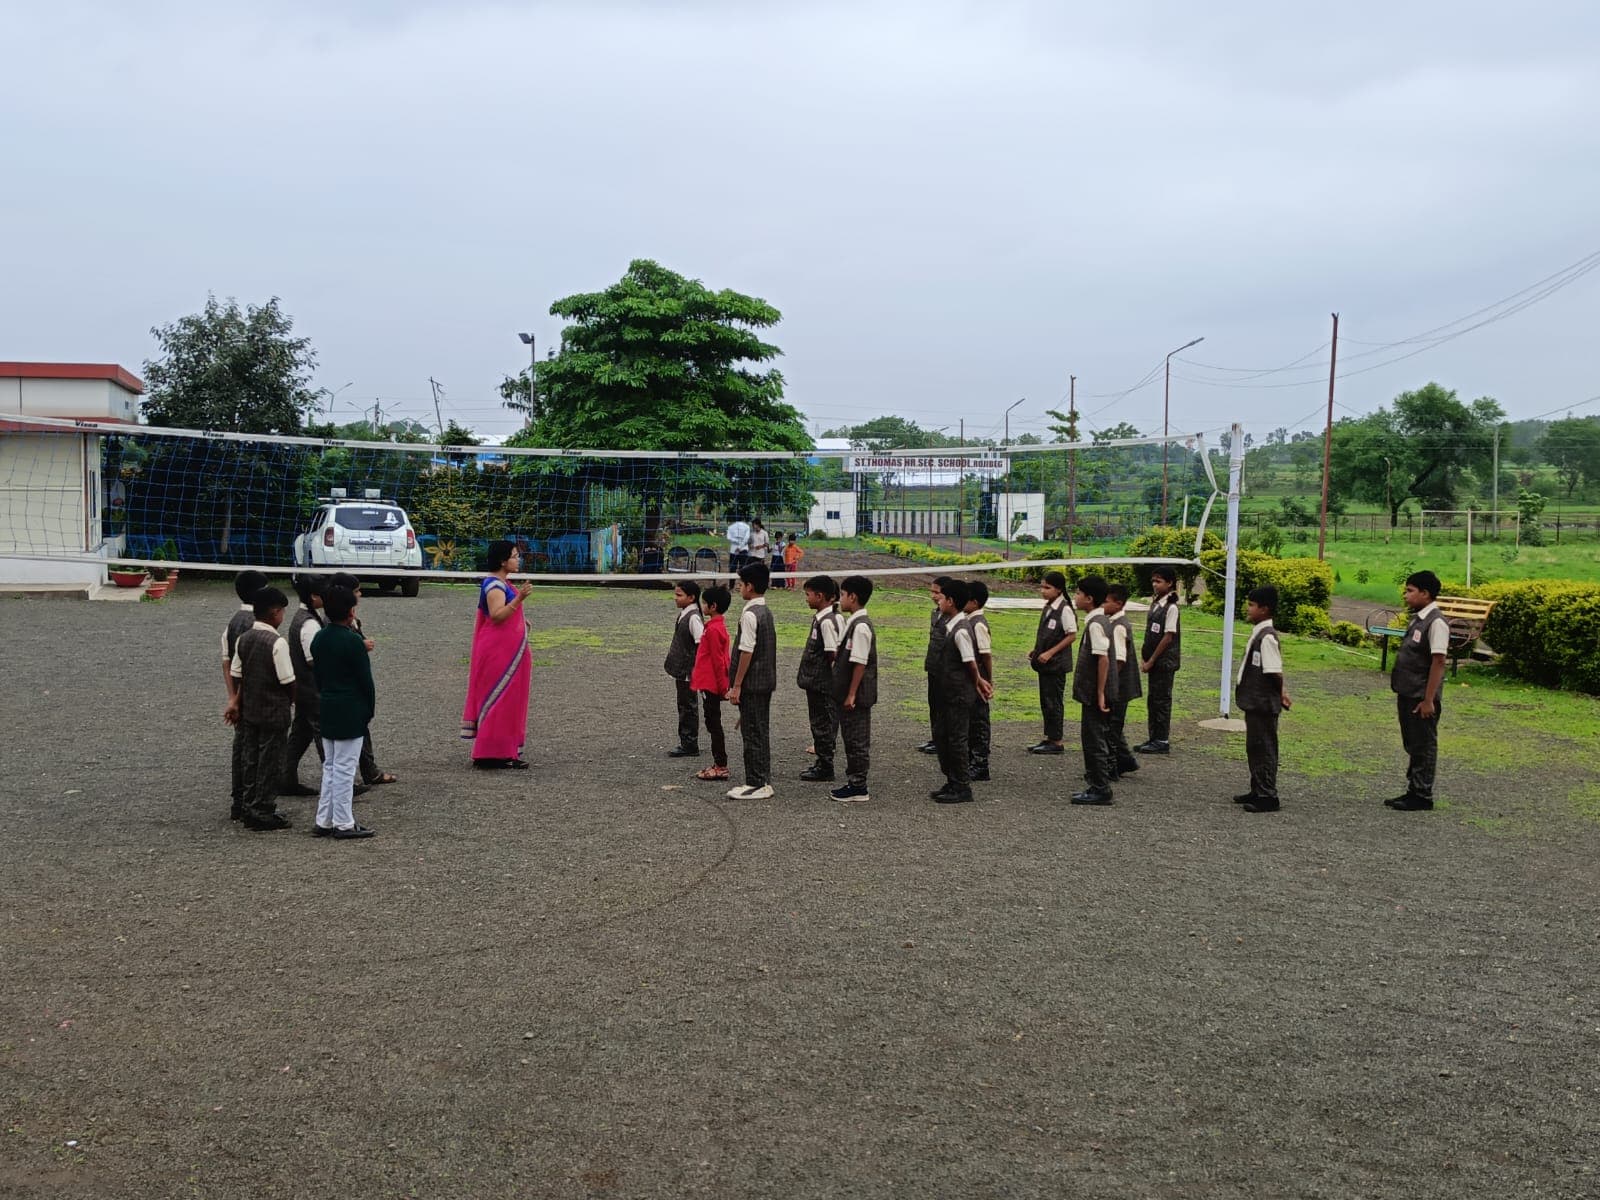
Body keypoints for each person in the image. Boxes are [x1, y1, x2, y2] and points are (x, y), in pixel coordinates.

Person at [225, 586, 295, 831]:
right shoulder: (277, 643)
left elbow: (236, 672)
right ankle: (263, 809)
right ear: (275, 613)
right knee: (271, 761)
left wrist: (237, 701)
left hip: (251, 710)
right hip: (274, 711)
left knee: (251, 758)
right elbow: (288, 680)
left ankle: (248, 805)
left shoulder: (244, 639)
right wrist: (293, 700)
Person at [311, 585, 378, 839]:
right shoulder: (353, 641)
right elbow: (365, 681)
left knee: (331, 765)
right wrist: (368, 710)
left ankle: (325, 818)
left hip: (327, 704)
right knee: (345, 767)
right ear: (351, 612)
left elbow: (317, 676)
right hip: (350, 708)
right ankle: (343, 822)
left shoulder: (319, 638)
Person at [461, 540, 533, 769]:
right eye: (514, 556)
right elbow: (497, 615)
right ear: (503, 561)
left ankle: (505, 750)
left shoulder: (503, 583)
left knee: (510, 700)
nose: (517, 559)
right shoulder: (495, 585)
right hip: (496, 652)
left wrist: (521, 621)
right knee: (499, 698)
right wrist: (520, 599)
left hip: (508, 650)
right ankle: (489, 753)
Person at [329, 573, 398, 790]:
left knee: (304, 731)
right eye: (357, 590)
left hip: (344, 691)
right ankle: (355, 775)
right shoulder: (333, 626)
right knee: (342, 738)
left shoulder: (350, 621)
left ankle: (287, 774)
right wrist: (361, 645)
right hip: (345, 691)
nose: (360, 594)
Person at [1388, 569, 1450, 812]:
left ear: (1425, 593)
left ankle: (1422, 794)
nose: (1406, 595)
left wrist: (1429, 699)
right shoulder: (1418, 618)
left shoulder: (1436, 622)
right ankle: (1414, 788)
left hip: (1421, 696)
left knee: (1424, 743)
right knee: (1413, 742)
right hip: (1407, 691)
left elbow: (1439, 661)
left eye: (1410, 591)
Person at [930, 579, 992, 804]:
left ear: (952, 601)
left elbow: (971, 662)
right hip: (948, 692)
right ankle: (952, 780)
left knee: (956, 739)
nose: (939, 601)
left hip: (957, 694)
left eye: (943, 598)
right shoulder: (951, 625)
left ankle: (961, 785)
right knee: (943, 737)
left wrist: (979, 682)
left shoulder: (961, 630)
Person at [1235, 585, 1291, 814]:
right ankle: (1257, 788)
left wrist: (1281, 694)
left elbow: (1274, 671)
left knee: (1265, 747)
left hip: (1263, 703)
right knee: (1255, 747)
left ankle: (1268, 795)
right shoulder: (1259, 631)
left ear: (1265, 609)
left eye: (1252, 605)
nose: (1248, 609)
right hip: (1254, 701)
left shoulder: (1267, 637)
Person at [726, 561, 778, 800]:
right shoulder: (765, 611)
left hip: (753, 683)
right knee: (759, 730)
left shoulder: (750, 614)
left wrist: (736, 685)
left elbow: (746, 651)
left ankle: (756, 782)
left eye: (741, 584)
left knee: (753, 732)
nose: (738, 588)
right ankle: (762, 779)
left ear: (750, 586)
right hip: (764, 681)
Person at [221, 569, 269, 820]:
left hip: (240, 695)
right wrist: (238, 700)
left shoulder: (232, 621)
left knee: (241, 748)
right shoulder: (256, 624)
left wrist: (232, 697)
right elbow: (239, 665)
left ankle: (239, 801)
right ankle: (252, 804)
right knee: (253, 750)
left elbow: (226, 662)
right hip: (254, 697)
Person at [1069, 574, 1118, 806]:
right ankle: (1097, 783)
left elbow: (1104, 659)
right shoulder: (1096, 621)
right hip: (1094, 691)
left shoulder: (1097, 624)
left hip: (1097, 693)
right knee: (1093, 736)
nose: (1075, 597)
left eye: (1078, 593)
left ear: (1089, 598)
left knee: (1093, 738)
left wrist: (1099, 692)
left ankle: (1100, 787)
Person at [830, 575, 877, 803]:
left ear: (853, 597)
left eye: (842, 595)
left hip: (857, 695)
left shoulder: (861, 627)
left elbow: (860, 662)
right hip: (849, 692)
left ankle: (859, 785)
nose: (840, 600)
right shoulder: (853, 622)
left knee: (857, 739)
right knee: (850, 737)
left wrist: (851, 693)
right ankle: (854, 781)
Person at [280, 574, 326, 797]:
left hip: (304, 690)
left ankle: (285, 777)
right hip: (312, 690)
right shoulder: (308, 623)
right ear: (314, 596)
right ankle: (335, 780)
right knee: (323, 735)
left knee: (300, 734)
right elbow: (312, 658)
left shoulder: (306, 617)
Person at [796, 575, 843, 783]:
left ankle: (825, 765)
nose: (806, 599)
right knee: (821, 721)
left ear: (820, 596)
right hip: (817, 681)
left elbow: (833, 653)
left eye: (808, 595)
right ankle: (822, 761)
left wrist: (832, 682)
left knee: (822, 722)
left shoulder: (827, 621)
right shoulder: (826, 617)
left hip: (822, 683)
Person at [1028, 570, 1077, 754]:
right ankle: (1050, 736)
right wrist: (1037, 651)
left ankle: (1056, 741)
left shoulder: (1064, 609)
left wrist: (1050, 653)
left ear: (1059, 590)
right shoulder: (1049, 607)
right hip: (1045, 664)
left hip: (1056, 664)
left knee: (1054, 702)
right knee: (1046, 701)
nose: (1043, 591)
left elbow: (1071, 635)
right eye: (1042, 587)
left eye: (1047, 587)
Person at [1135, 565, 1181, 755]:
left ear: (1169, 584)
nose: (1155, 585)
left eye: (1159, 581)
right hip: (1153, 661)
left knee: (1161, 700)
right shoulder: (1156, 604)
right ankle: (1153, 736)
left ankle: (1161, 739)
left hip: (1164, 662)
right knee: (1153, 700)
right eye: (1153, 581)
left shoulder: (1171, 608)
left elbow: (1168, 636)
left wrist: (1152, 659)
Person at [691, 586, 733, 782]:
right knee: (712, 722)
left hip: (711, 684)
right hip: (709, 682)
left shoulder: (714, 630)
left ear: (713, 606)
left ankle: (721, 765)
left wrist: (723, 686)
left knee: (713, 723)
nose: (703, 606)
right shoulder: (715, 627)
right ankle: (719, 763)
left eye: (705, 603)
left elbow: (718, 660)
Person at [1103, 582, 1142, 780]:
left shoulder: (1118, 627)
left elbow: (1119, 660)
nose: (1103, 605)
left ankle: (1111, 767)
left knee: (1112, 726)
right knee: (1113, 725)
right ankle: (1126, 760)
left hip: (1118, 686)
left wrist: (1107, 685)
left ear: (1118, 604)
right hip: (1118, 685)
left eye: (1106, 601)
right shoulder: (1113, 622)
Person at [662, 580, 705, 759]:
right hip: (683, 669)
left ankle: (689, 742)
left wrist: (694, 667)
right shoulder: (686, 614)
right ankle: (687, 740)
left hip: (688, 671)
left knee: (688, 706)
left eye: (679, 595)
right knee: (684, 704)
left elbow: (701, 643)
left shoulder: (693, 617)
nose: (675, 598)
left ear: (691, 597)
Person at [918, 576, 955, 753]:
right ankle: (936, 737)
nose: (933, 595)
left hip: (946, 669)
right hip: (933, 666)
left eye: (937, 592)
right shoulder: (936, 613)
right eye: (931, 591)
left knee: (944, 705)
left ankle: (945, 739)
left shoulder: (953, 617)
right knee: (934, 704)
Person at [963, 579, 994, 781]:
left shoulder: (978, 624)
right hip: (970, 681)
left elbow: (986, 655)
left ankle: (980, 764)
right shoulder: (969, 620)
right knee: (970, 722)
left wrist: (988, 680)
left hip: (979, 680)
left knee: (979, 723)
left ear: (974, 602)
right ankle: (971, 760)